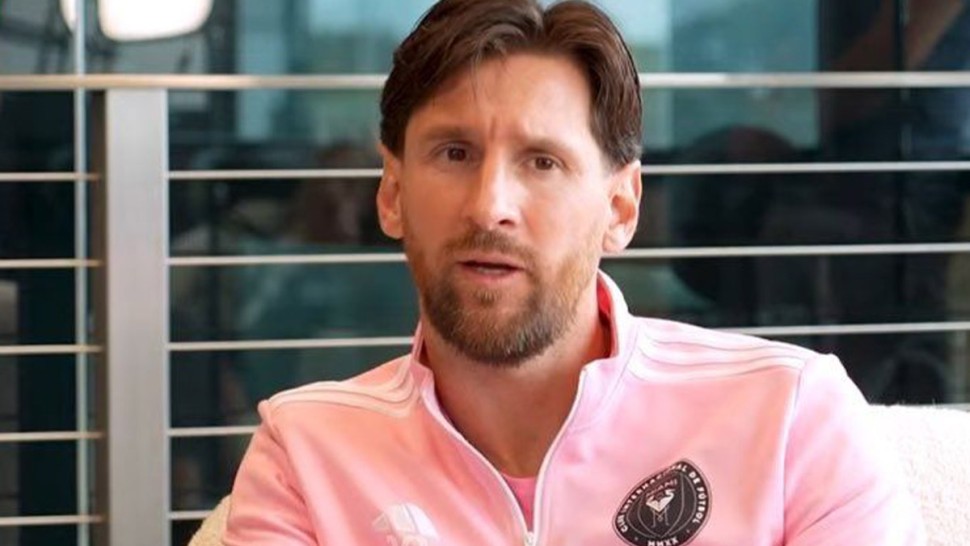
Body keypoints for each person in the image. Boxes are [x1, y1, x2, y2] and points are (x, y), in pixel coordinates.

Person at [223, 1, 926, 544]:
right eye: (454, 153)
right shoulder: (304, 453)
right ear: (393, 194)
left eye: (543, 162)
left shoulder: (790, 417)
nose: (490, 206)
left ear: (620, 208)